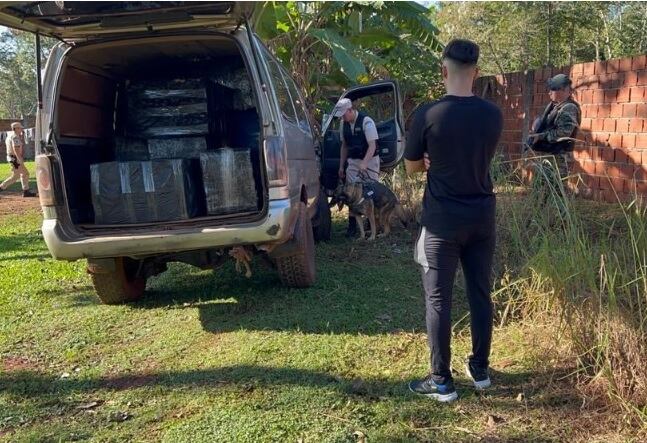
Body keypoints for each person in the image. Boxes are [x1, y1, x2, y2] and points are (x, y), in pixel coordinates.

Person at [404, 39, 503, 402]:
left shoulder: (428, 115)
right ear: (476, 72)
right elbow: (478, 156)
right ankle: (480, 369)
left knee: (438, 299)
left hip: (442, 222)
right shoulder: (493, 115)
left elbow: (412, 166)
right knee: (480, 292)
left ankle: (441, 381)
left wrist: (428, 161)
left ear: (443, 70)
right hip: (482, 218)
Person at [332, 97, 380, 237]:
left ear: (350, 110)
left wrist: (365, 162)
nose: (343, 118)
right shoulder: (344, 124)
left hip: (369, 159)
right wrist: (341, 166)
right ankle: (352, 225)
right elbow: (344, 146)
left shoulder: (367, 121)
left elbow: (373, 145)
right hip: (353, 161)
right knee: (351, 193)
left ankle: (373, 223)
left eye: (344, 114)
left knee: (370, 191)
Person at [525, 73, 582, 188]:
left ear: (565, 91)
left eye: (553, 89)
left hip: (558, 158)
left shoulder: (569, 108)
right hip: (550, 156)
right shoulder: (556, 106)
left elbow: (563, 133)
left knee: (555, 192)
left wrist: (540, 136)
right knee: (541, 191)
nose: (549, 92)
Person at [1, 122, 36, 197]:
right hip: (15, 159)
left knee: (22, 174)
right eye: (20, 128)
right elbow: (16, 149)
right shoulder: (15, 137)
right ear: (16, 129)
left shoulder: (10, 136)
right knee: (20, 175)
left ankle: (26, 191)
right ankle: (25, 191)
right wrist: (19, 159)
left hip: (12, 158)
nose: (21, 129)